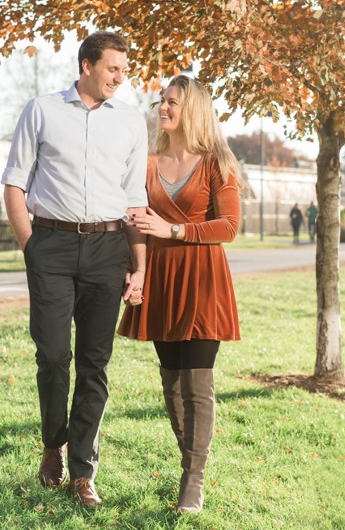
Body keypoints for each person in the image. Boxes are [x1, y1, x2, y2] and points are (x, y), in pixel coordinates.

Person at [1, 31, 149, 508]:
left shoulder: (130, 122)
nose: (121, 78)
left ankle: (83, 470)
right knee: (51, 355)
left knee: (94, 363)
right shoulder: (41, 110)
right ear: (87, 65)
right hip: (52, 245)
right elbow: (14, 183)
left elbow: (134, 199)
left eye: (124, 70)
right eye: (113, 69)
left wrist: (139, 264)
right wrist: (33, 250)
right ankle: (53, 444)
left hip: (108, 248)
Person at [117, 75, 242, 514]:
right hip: (161, 279)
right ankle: (189, 461)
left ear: (193, 109)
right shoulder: (146, 163)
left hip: (204, 280)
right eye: (161, 101)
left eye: (171, 102)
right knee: (171, 381)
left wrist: (173, 229)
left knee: (198, 382)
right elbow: (131, 220)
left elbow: (228, 227)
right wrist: (136, 271)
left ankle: (193, 480)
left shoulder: (217, 163)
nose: (162, 108)